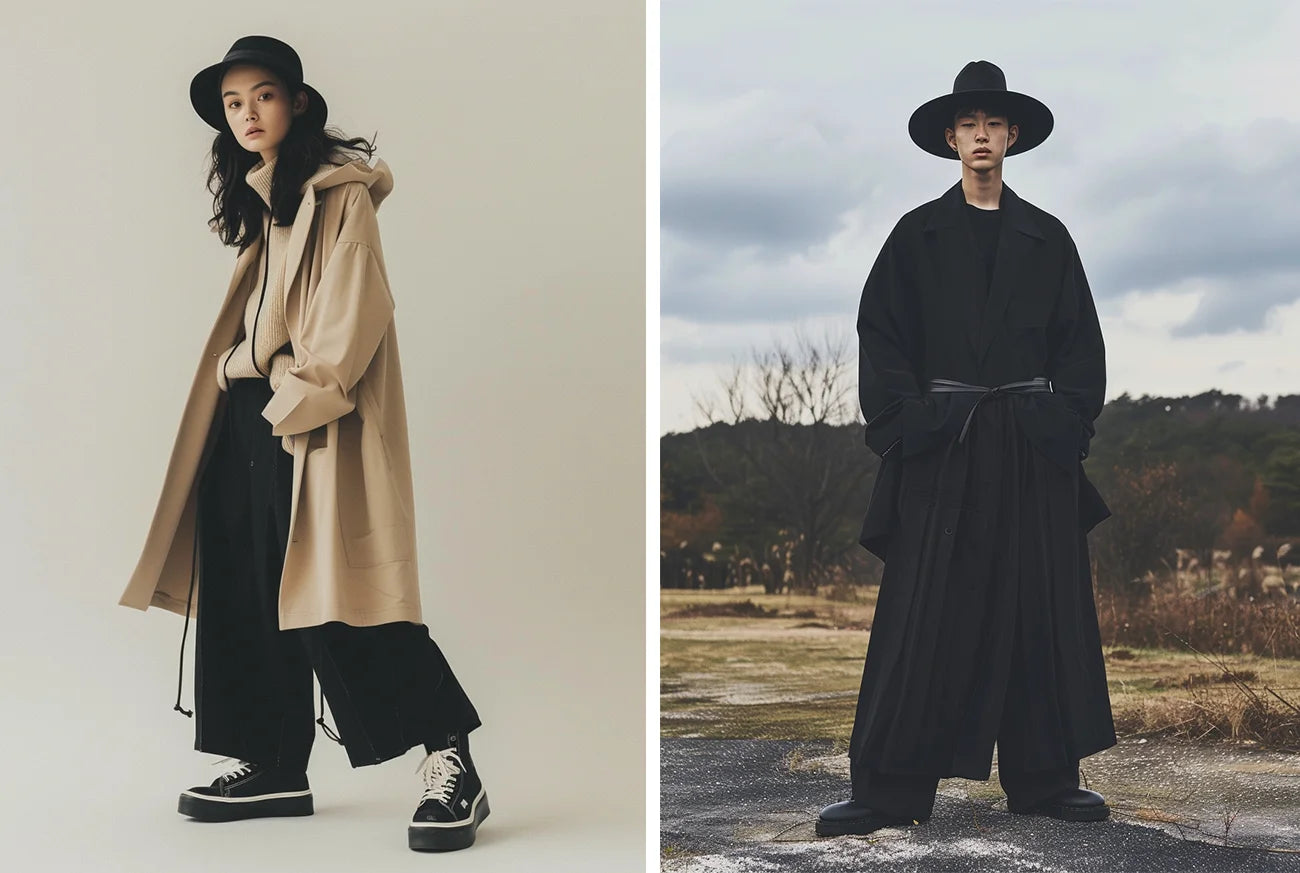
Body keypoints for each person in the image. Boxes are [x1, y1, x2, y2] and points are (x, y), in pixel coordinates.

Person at [117, 35, 489, 853]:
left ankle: (450, 757)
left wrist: (251, 370)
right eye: (233, 102)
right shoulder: (267, 202)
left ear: (299, 101)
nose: (248, 113)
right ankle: (274, 760)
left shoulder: (337, 196)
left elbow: (346, 326)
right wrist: (244, 379)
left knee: (342, 595)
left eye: (263, 96)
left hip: (305, 420)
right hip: (246, 420)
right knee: (247, 586)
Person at [817, 60, 1116, 837]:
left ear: (1011, 136)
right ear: (951, 138)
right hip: (944, 446)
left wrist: (1064, 426)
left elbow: (1082, 348)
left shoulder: (1048, 237)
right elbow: (880, 339)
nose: (981, 135)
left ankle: (1046, 778)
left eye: (994, 123)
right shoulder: (915, 236)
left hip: (1030, 447)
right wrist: (912, 427)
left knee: (1038, 607)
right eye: (968, 124)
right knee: (924, 612)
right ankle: (888, 791)